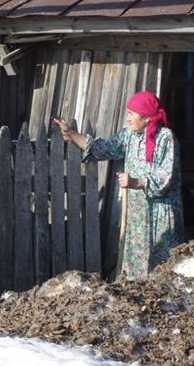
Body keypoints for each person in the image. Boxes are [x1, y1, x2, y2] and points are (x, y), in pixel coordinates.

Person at [53, 90, 185, 279]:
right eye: (128, 112)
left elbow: (165, 177)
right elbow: (101, 148)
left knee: (163, 268)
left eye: (132, 113)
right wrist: (71, 134)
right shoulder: (128, 136)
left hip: (161, 214)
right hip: (137, 214)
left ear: (147, 117)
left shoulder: (166, 138)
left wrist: (136, 182)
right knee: (136, 268)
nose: (128, 118)